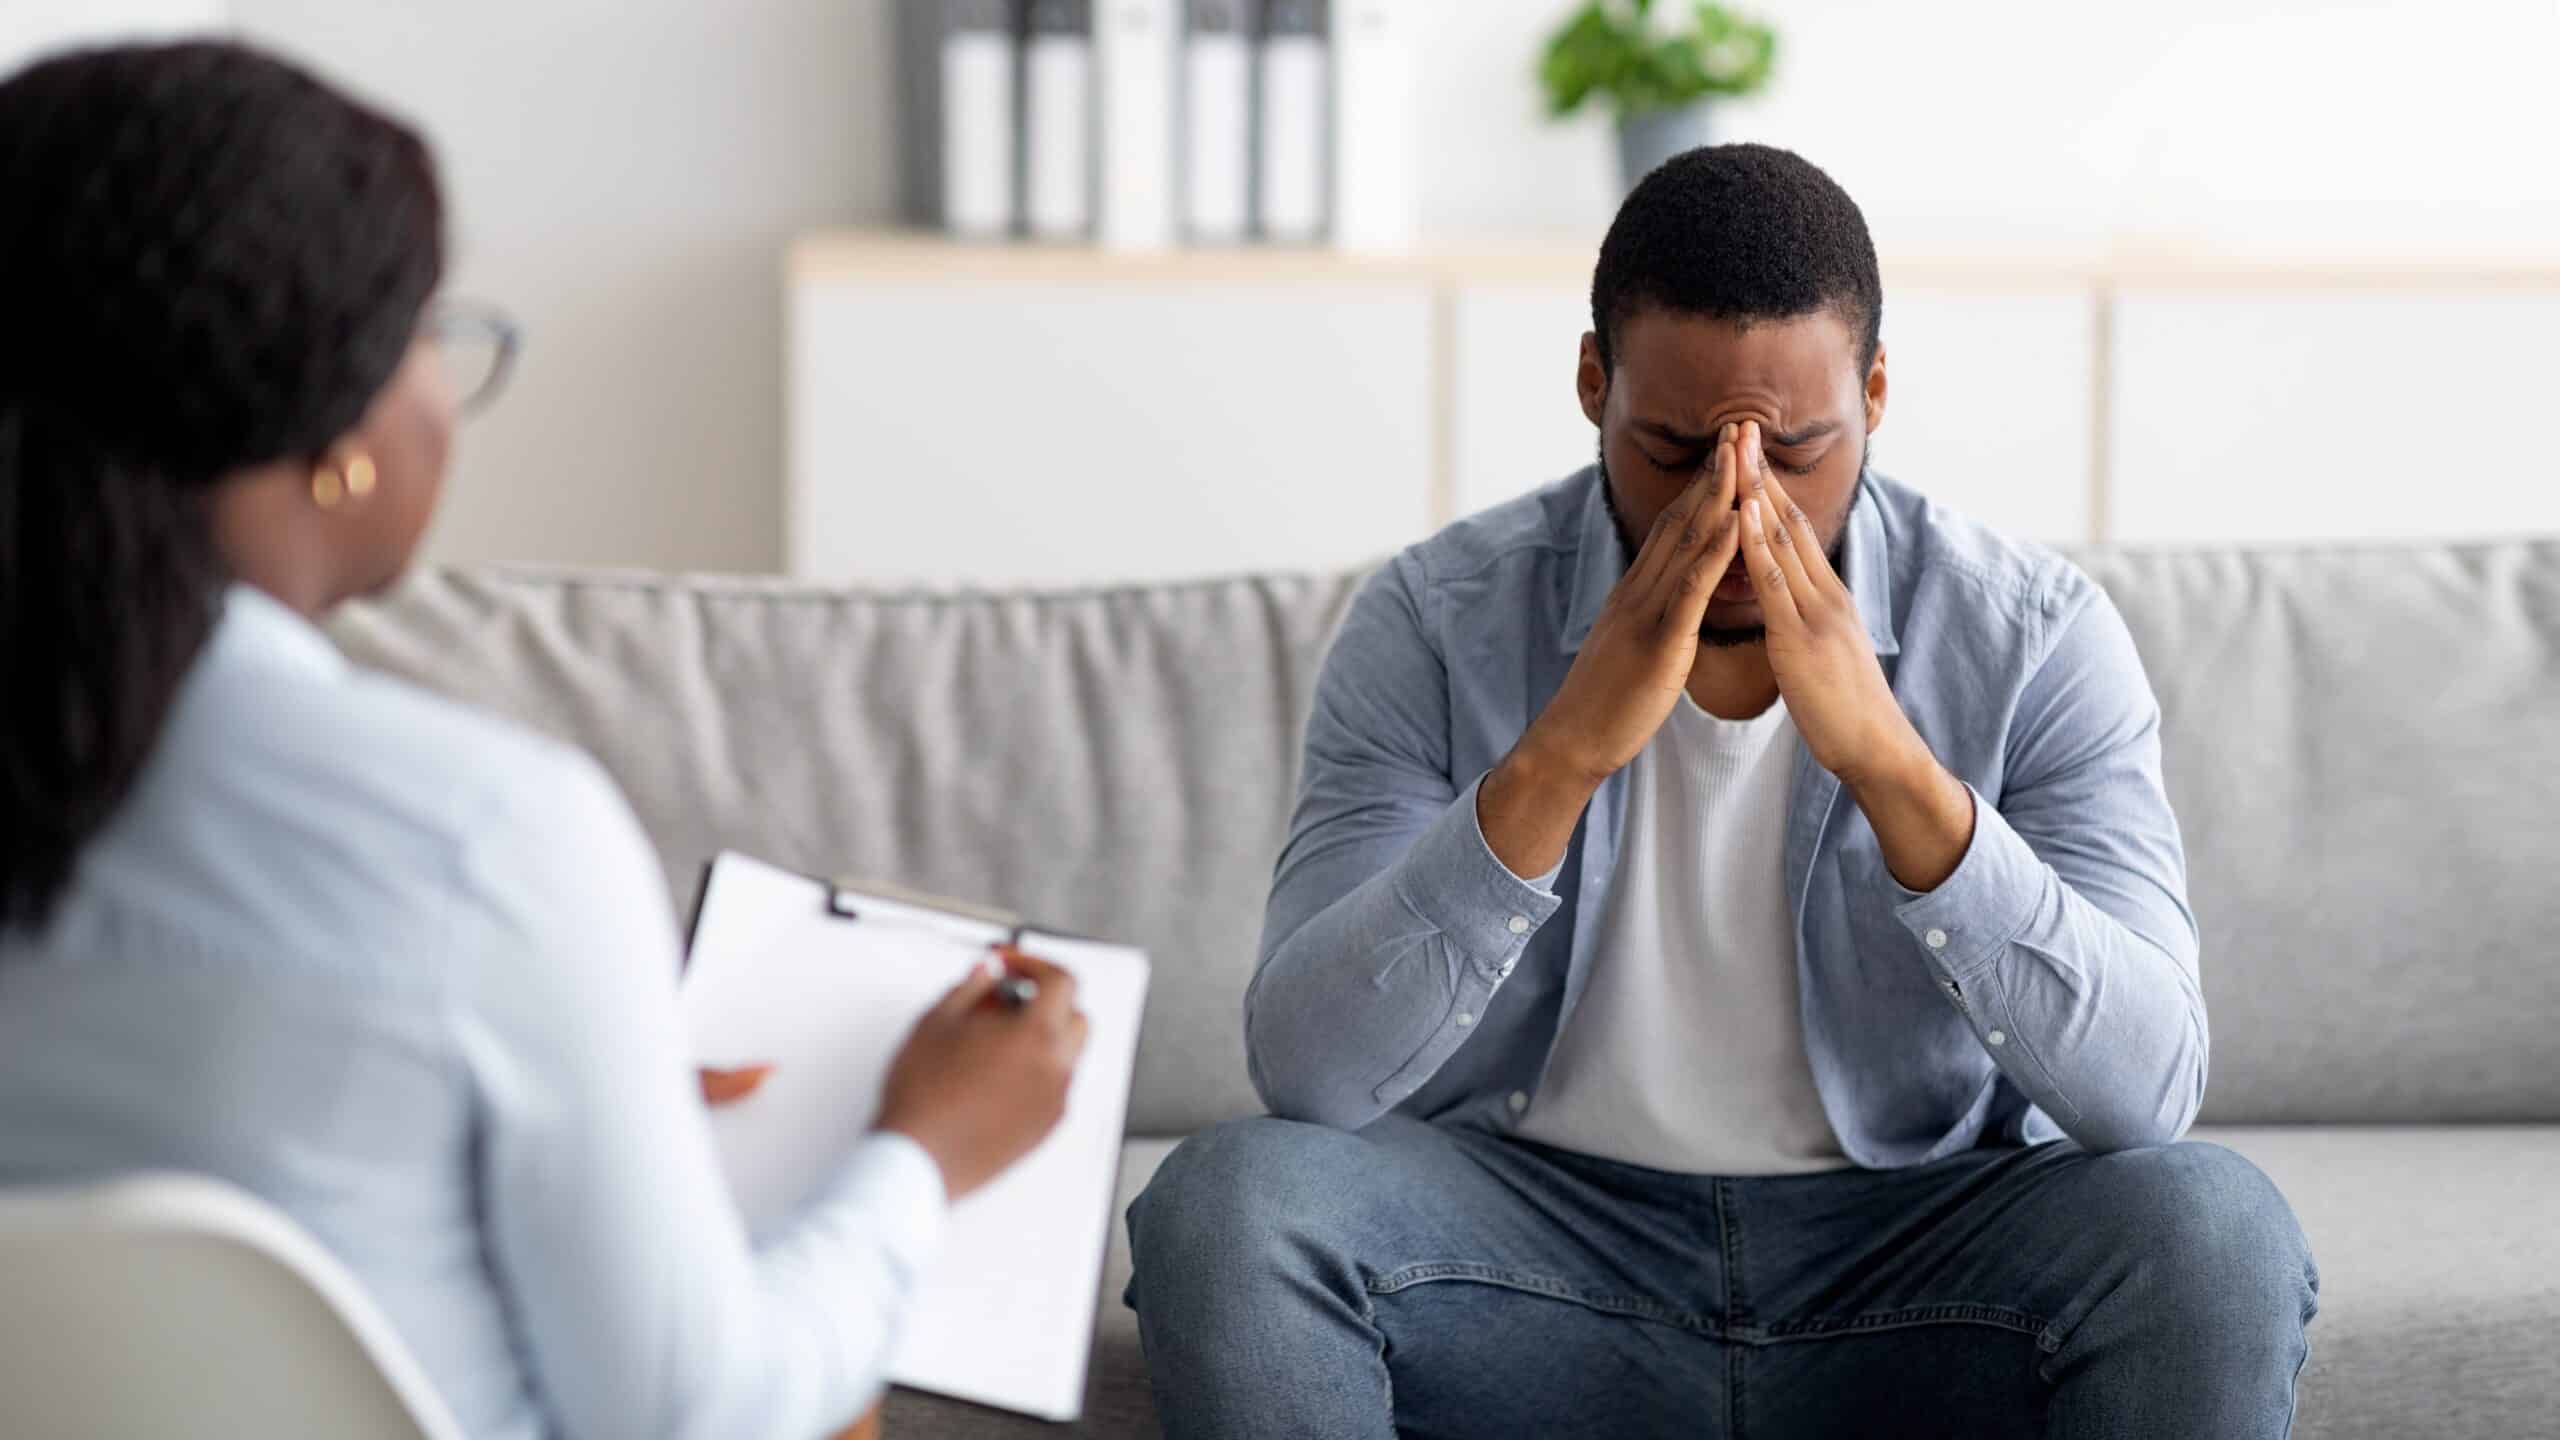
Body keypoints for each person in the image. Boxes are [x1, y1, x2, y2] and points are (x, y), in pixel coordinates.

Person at [1125, 144, 2317, 1437]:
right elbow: (1307, 1073)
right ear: (1593, 386)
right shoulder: (1430, 622)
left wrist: (1890, 764)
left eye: (1797, 451)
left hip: (1909, 1258)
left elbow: (2148, 1092)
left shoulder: (2031, 632)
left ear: (1872, 394)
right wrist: (1566, 749)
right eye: (1672, 448)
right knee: (1229, 1204)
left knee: (2213, 1226)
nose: (1737, 507)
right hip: (1524, 1249)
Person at [0, 40, 1086, 1440]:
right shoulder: (482, 842)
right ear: (337, 437)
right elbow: (709, 1412)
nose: (446, 396)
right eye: (427, 336)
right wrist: (927, 1153)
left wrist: (591, 1076)